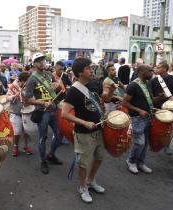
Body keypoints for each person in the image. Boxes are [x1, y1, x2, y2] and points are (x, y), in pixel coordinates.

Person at [61, 58, 116, 203]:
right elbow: (64, 113)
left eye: (92, 68)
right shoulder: (73, 90)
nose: (92, 70)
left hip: (99, 129)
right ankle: (82, 187)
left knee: (99, 158)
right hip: (83, 133)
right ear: (80, 72)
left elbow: (105, 99)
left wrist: (111, 92)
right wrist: (84, 122)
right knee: (83, 163)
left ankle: (90, 181)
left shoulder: (94, 83)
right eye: (88, 68)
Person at [24, 52, 62, 175]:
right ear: (34, 64)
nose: (42, 62)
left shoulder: (49, 74)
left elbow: (53, 91)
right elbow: (27, 99)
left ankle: (51, 154)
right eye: (38, 60)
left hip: (54, 110)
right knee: (43, 138)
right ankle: (43, 161)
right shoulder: (32, 79)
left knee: (59, 135)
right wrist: (42, 103)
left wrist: (56, 87)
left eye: (43, 60)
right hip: (43, 113)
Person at [123, 64, 154, 175]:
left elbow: (148, 99)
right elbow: (124, 102)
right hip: (137, 118)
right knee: (139, 143)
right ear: (141, 72)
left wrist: (160, 98)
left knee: (145, 143)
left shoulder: (147, 83)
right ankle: (131, 161)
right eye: (149, 71)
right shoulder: (133, 85)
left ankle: (140, 163)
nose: (152, 72)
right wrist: (139, 110)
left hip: (147, 118)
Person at [150, 60, 173, 155]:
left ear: (165, 69)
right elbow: (150, 95)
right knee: (154, 127)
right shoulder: (153, 81)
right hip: (156, 107)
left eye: (158, 67)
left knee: (168, 129)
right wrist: (157, 98)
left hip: (169, 109)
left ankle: (167, 146)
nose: (156, 69)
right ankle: (154, 144)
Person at [6, 71, 33, 156]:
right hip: (15, 112)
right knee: (17, 132)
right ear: (20, 80)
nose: (26, 83)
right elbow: (7, 98)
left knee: (27, 131)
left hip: (27, 112)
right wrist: (14, 96)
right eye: (25, 81)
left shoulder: (30, 87)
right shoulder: (13, 86)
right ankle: (15, 146)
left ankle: (26, 146)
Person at [52, 61, 72, 145]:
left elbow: (71, 84)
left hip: (63, 100)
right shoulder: (51, 76)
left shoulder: (65, 75)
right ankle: (56, 138)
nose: (61, 71)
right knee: (56, 121)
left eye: (62, 69)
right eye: (59, 69)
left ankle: (59, 137)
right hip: (55, 100)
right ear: (55, 68)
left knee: (61, 120)